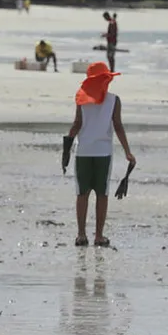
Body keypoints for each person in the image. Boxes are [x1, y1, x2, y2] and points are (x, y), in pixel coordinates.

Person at [62, 62, 135, 248]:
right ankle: (99, 236)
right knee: (102, 194)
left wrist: (66, 149)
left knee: (82, 194)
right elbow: (117, 125)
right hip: (103, 153)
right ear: (106, 80)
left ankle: (81, 235)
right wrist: (127, 151)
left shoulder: (81, 100)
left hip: (83, 152)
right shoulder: (113, 100)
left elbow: (76, 124)